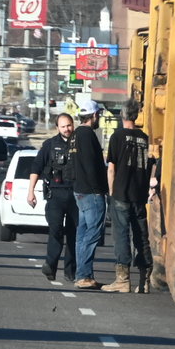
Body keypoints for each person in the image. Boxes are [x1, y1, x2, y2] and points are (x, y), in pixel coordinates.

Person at [102, 105, 152, 293]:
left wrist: (111, 191)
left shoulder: (117, 137)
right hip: (139, 194)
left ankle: (122, 280)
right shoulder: (145, 139)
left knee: (121, 235)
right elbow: (151, 167)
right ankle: (144, 280)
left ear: (122, 115)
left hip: (121, 193)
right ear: (136, 115)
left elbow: (111, 168)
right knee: (141, 236)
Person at [26, 113, 78, 282]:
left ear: (73, 125)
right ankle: (51, 265)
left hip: (76, 195)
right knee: (55, 230)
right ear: (57, 128)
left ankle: (70, 271)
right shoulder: (49, 145)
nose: (67, 129)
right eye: (63, 126)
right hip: (55, 194)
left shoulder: (79, 144)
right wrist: (30, 191)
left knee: (74, 233)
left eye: (69, 125)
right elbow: (36, 167)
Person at [69, 102, 110, 289]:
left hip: (80, 191)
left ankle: (83, 275)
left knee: (82, 234)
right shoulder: (88, 135)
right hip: (91, 192)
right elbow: (92, 166)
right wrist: (100, 189)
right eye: (98, 115)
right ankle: (83, 275)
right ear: (93, 115)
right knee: (92, 234)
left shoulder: (75, 135)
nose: (99, 118)